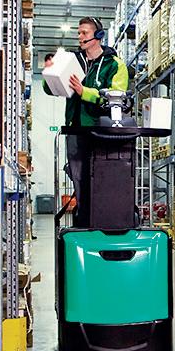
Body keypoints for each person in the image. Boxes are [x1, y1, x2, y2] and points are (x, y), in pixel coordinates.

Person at [43, 17, 129, 227]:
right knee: (79, 178)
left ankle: (105, 220)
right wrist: (49, 74)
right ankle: (84, 221)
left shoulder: (114, 65)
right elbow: (51, 90)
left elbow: (117, 98)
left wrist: (85, 92)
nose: (79, 37)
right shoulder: (72, 61)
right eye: (78, 33)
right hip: (76, 130)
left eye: (84, 33)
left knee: (102, 177)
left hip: (102, 132)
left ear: (98, 36)